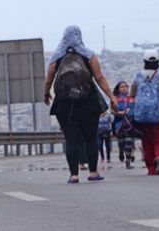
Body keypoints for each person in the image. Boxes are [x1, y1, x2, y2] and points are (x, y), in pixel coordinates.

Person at [43, 25, 117, 184]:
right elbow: (100, 78)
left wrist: (46, 94)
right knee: (90, 138)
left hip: (64, 104)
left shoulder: (57, 57)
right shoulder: (89, 55)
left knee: (71, 140)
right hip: (88, 102)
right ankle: (93, 172)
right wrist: (111, 96)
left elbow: (48, 80)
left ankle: (74, 175)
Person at [130, 49, 159, 175]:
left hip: (142, 115)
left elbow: (132, 94)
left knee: (146, 141)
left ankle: (151, 169)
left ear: (144, 61)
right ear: (158, 62)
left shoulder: (137, 75)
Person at [112, 81, 136, 169]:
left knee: (129, 142)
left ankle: (128, 161)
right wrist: (122, 112)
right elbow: (112, 111)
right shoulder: (115, 98)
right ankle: (121, 151)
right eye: (122, 87)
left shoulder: (132, 98)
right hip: (119, 123)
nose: (124, 88)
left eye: (126, 86)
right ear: (118, 89)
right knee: (121, 142)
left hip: (129, 123)